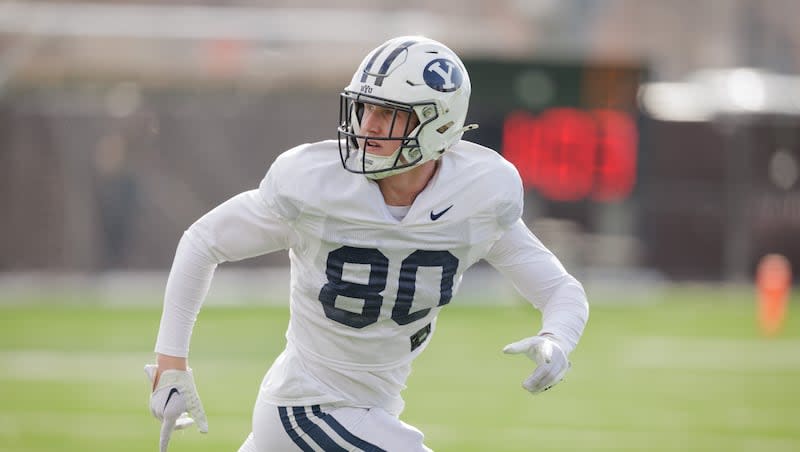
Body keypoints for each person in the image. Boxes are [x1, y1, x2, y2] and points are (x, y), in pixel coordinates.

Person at [146, 35, 589, 452]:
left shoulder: (478, 196)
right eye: (365, 108)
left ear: (439, 122)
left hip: (369, 409)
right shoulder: (315, 184)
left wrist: (558, 338)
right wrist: (171, 364)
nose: (367, 126)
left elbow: (560, 291)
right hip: (305, 406)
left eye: (388, 113)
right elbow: (203, 242)